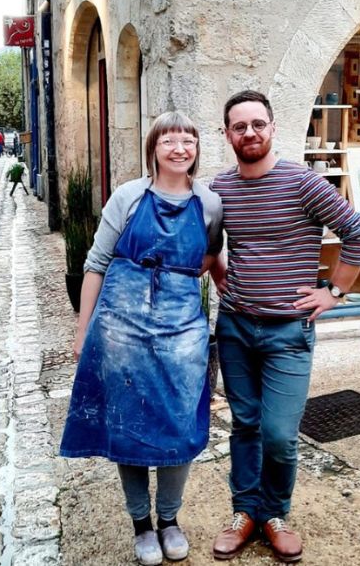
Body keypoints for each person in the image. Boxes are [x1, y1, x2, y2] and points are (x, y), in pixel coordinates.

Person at [209, 90, 360, 563]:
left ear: (273, 127)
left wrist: (334, 292)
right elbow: (211, 244)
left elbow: (358, 232)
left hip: (287, 335)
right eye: (240, 127)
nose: (250, 133)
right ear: (228, 135)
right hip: (236, 328)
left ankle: (274, 513)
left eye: (258, 124)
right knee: (244, 424)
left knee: (279, 434)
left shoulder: (304, 183)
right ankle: (245, 513)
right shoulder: (221, 188)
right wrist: (224, 280)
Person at [60, 111, 224, 566]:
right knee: (126, 423)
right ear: (153, 148)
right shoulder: (128, 197)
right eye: (169, 140)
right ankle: (141, 525)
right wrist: (83, 329)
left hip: (182, 330)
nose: (179, 148)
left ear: (196, 149)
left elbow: (209, 258)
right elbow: (95, 263)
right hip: (121, 327)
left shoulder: (209, 204)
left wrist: (175, 284)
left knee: (178, 421)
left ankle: (170, 519)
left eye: (187, 140)